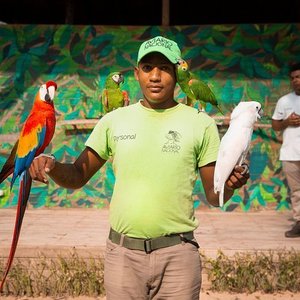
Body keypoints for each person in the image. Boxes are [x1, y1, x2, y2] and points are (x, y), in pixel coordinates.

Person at [29, 36, 249, 300]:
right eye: (147, 68)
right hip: (123, 257)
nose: (155, 76)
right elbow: (78, 175)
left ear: (177, 72)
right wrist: (51, 165)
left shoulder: (200, 123)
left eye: (165, 68)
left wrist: (229, 184)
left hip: (178, 257)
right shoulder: (114, 121)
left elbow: (214, 196)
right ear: (136, 73)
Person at [272, 62, 300, 238]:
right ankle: (299, 222)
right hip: (290, 153)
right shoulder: (285, 101)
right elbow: (275, 125)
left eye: (299, 77)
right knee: (297, 192)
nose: (296, 80)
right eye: (293, 78)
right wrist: (287, 122)